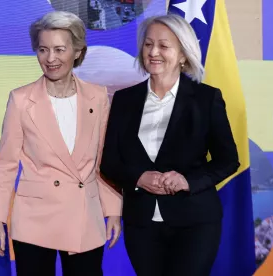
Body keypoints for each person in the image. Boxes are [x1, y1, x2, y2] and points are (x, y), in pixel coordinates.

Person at [100, 14, 240, 276]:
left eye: (163, 46)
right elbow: (110, 161)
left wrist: (189, 181)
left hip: (195, 222)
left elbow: (228, 159)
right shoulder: (123, 99)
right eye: (148, 44)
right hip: (141, 224)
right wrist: (139, 177)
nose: (153, 52)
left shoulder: (206, 99)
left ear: (183, 54)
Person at [0, 11, 122, 276]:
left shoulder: (98, 96)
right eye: (43, 49)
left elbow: (102, 160)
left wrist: (114, 209)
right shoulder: (21, 100)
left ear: (77, 51)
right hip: (35, 219)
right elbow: (5, 165)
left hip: (84, 215)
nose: (50, 59)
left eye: (59, 49)